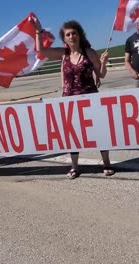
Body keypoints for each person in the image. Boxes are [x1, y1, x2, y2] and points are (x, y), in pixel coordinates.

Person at [32, 18, 114, 179]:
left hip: (90, 97)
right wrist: (38, 31)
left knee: (99, 131)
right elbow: (41, 50)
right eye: (68, 34)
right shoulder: (63, 54)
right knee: (73, 134)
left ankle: (106, 162)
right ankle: (75, 166)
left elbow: (101, 74)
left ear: (79, 34)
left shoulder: (89, 52)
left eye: (74, 33)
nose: (71, 36)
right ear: (64, 38)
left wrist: (103, 63)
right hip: (69, 100)